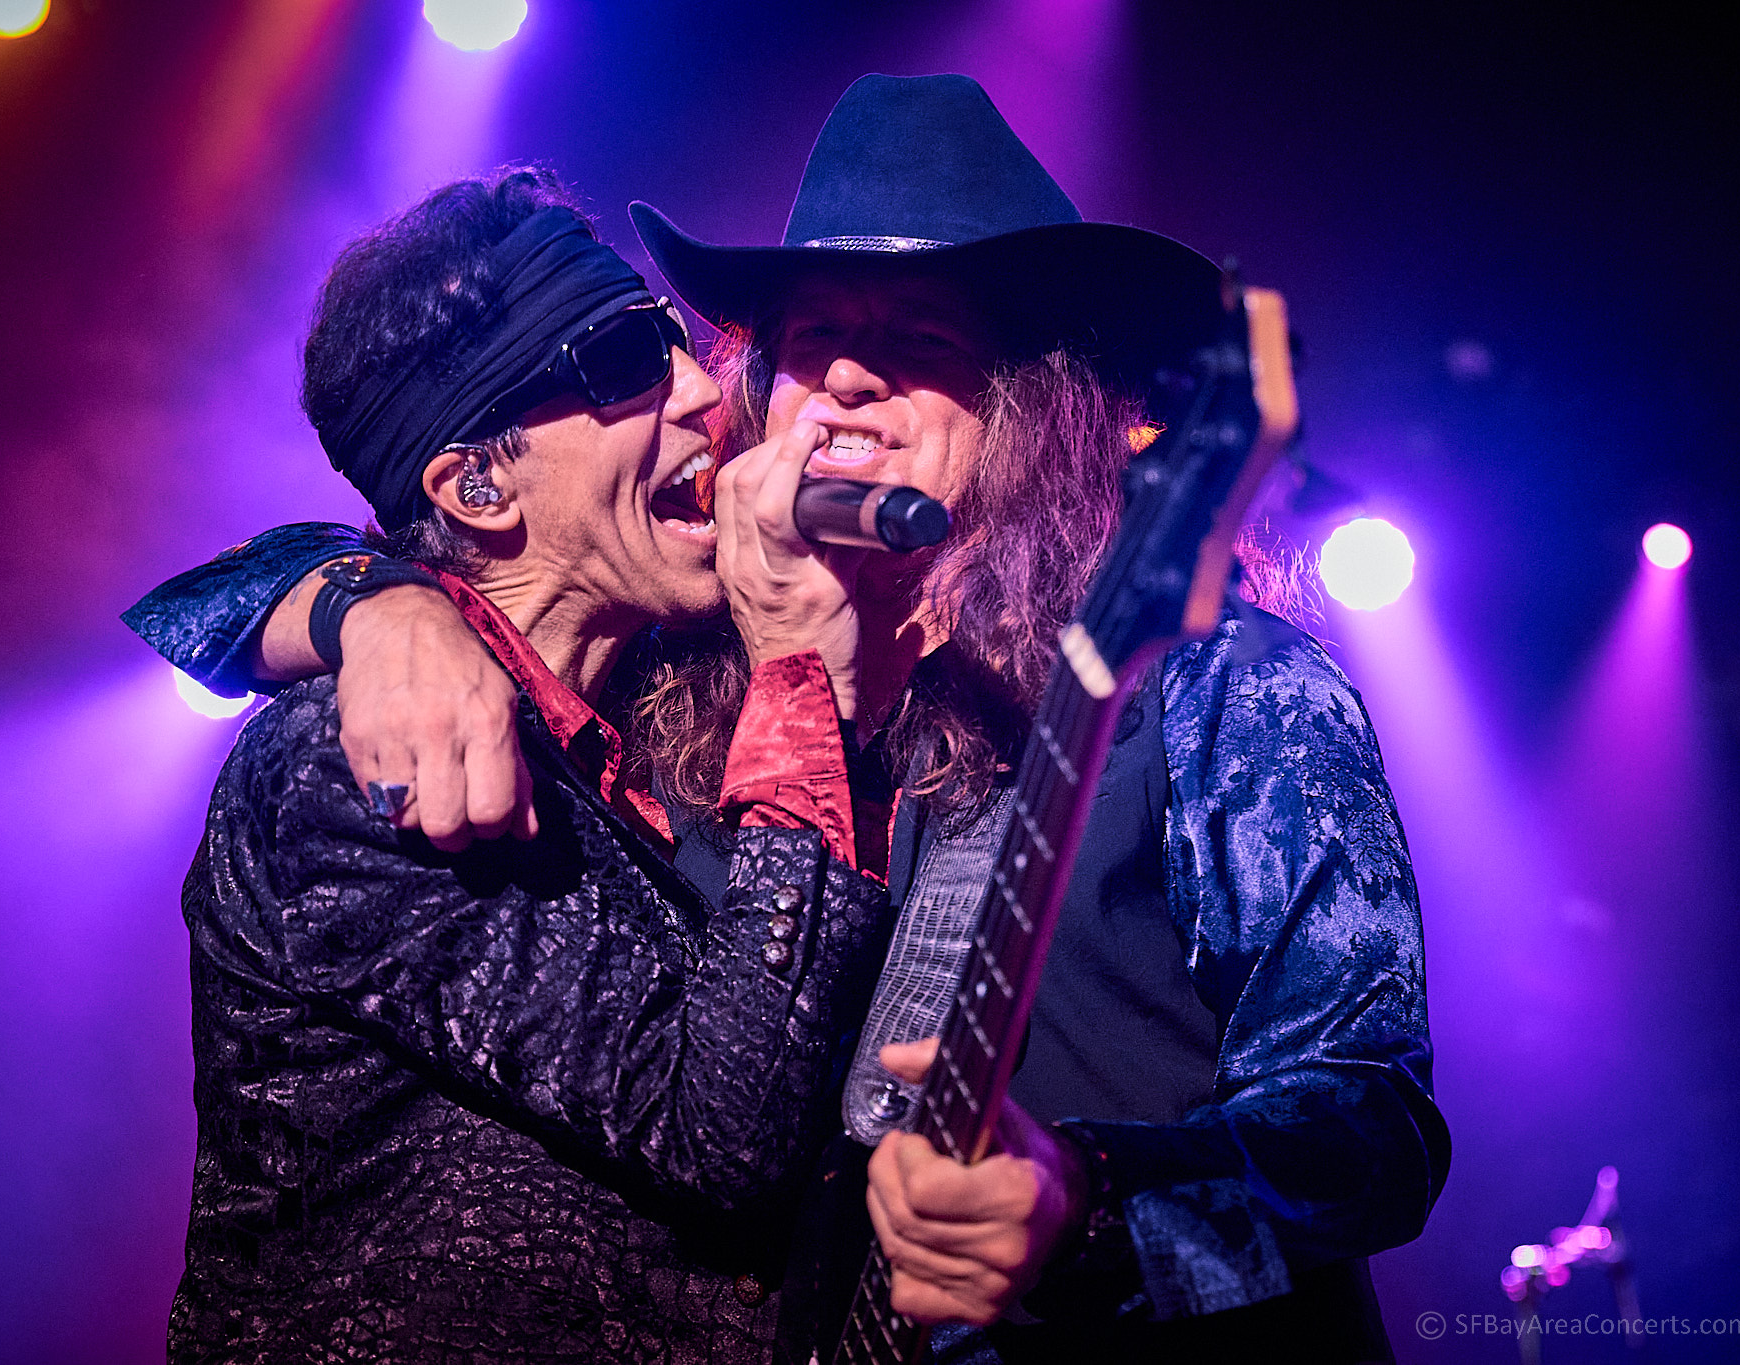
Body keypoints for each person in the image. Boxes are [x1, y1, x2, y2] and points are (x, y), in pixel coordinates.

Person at [130, 76, 1449, 1363]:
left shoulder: (1212, 686)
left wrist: (1093, 1202)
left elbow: (1373, 1125)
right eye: (813, 341)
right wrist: (373, 599)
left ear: (1038, 407)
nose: (850, 384)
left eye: (923, 343)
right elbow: (310, 565)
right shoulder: (697, 696)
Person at [137, 168, 900, 1364]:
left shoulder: (661, 720)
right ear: (475, 485)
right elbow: (725, 1139)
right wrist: (800, 672)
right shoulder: (359, 766)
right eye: (620, 363)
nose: (705, 390)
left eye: (674, 342)